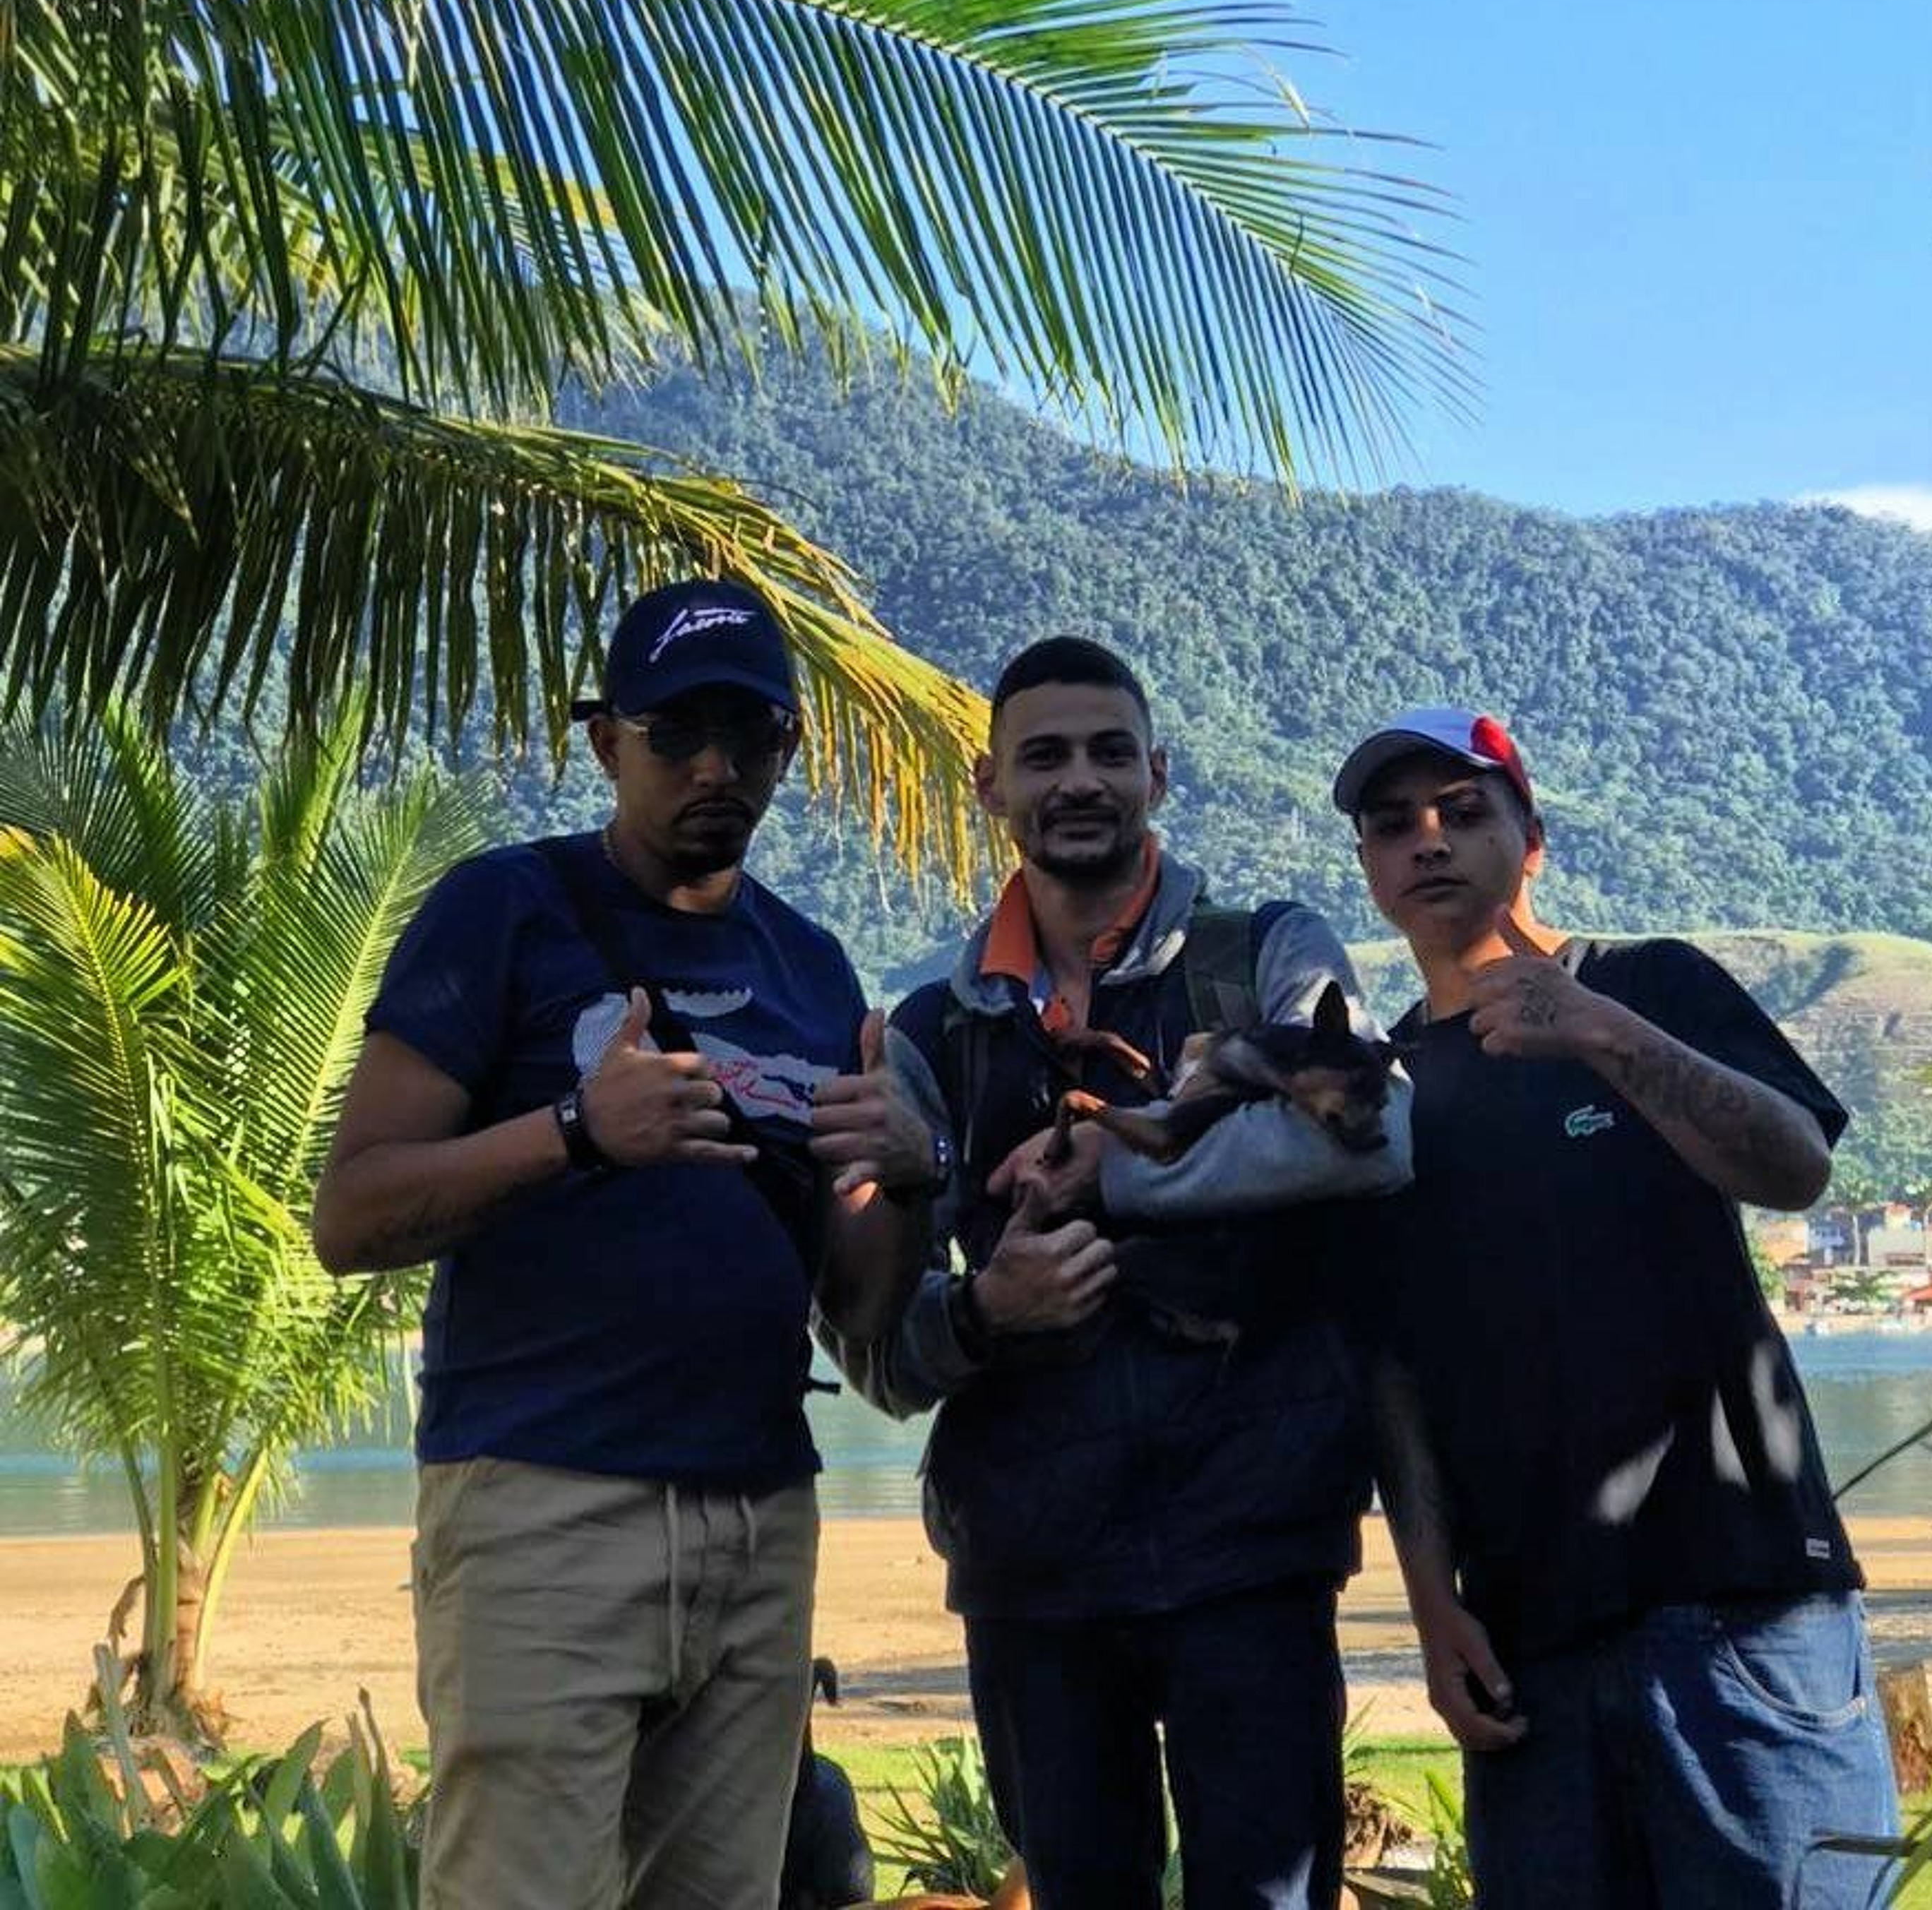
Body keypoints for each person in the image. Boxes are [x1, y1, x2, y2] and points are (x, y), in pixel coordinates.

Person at [312, 578, 940, 1910]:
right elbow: (351, 1214)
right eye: (677, 733)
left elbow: (858, 1306)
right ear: (607, 743)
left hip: (761, 1518)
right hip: (544, 1508)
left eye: (751, 734)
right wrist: (579, 1131)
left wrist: (908, 1181)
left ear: (786, 748)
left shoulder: (813, 968)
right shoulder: (503, 911)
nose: (717, 767)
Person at [825, 637, 1411, 1910]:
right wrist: (986, 1311)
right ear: (991, 786)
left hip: (1255, 1548)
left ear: (1159, 772)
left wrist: (1118, 1168)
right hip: (1032, 1565)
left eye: (1108, 752)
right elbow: (876, 1354)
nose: (1079, 780)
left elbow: (1377, 1139)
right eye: (1044, 757)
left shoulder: (1267, 955)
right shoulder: (927, 1036)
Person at [1333, 705, 1898, 1910]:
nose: (1429, 840)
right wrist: (1431, 1605)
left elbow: (1794, 1165)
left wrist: (1602, 1033)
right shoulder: (1386, 1094)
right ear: (1370, 869)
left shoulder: (1648, 984)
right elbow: (1396, 1370)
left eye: (1464, 812)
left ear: (1531, 841)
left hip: (1745, 1606)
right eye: (1394, 825)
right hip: (1528, 1644)